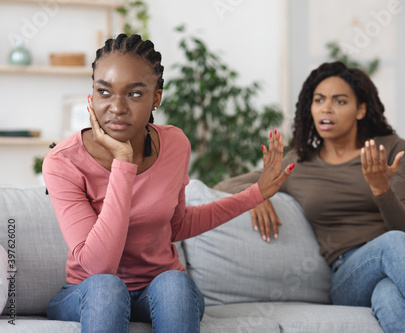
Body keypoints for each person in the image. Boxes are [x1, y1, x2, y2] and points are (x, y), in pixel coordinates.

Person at [42, 33, 294, 333]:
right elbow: (99, 268)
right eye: (104, 92)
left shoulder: (174, 144)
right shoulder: (63, 162)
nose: (117, 107)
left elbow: (177, 226)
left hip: (158, 292)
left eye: (134, 94)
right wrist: (124, 163)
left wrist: (256, 194)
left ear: (156, 98)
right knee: (108, 289)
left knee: (174, 283)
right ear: (92, 95)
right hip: (88, 292)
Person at [214, 61, 405, 332]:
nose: (326, 108)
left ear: (361, 109)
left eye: (340, 101)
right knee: (392, 245)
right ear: (309, 108)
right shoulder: (297, 163)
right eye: (319, 100)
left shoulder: (391, 149)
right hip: (350, 272)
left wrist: (381, 189)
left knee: (389, 296)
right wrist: (255, 196)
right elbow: (225, 183)